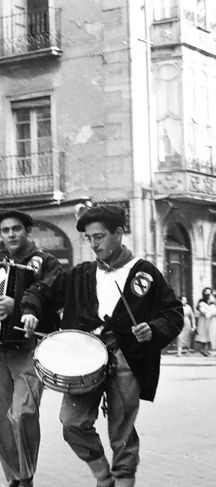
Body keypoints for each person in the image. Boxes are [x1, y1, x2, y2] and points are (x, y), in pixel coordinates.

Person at [21, 205, 183, 487]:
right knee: (71, 422)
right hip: (83, 357)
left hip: (125, 356)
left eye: (99, 237)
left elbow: (173, 314)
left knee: (121, 429)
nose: (94, 244)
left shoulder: (144, 272)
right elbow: (44, 290)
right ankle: (103, 477)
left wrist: (153, 329)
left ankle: (123, 478)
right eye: (88, 238)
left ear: (119, 233)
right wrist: (30, 309)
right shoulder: (82, 273)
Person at [0, 210, 63, 487]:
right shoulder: (1, 264)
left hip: (30, 349)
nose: (11, 234)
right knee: (0, 419)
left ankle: (26, 475)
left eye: (16, 229)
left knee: (23, 413)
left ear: (28, 231)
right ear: (0, 234)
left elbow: (49, 295)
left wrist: (18, 306)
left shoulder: (47, 262)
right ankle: (14, 477)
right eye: (5, 230)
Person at [194, 288, 212, 356]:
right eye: (206, 292)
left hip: (210, 320)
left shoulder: (211, 301)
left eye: (209, 293)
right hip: (203, 320)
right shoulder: (201, 301)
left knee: (209, 334)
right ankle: (202, 349)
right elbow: (199, 309)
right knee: (202, 334)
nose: (208, 294)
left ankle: (206, 350)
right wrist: (205, 312)